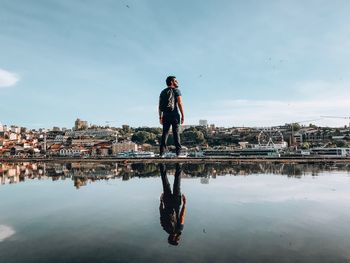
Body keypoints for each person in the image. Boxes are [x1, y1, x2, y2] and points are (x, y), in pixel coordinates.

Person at [159, 163, 186, 246]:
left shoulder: (179, 229)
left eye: (177, 240)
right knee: (165, 183)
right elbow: (161, 213)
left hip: (176, 203)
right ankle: (162, 165)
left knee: (177, 183)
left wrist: (184, 204)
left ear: (174, 238)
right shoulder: (165, 228)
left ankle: (179, 165)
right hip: (167, 202)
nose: (179, 239)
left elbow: (181, 217)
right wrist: (161, 201)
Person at [159, 76, 185, 157]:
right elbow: (180, 103)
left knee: (165, 133)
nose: (177, 82)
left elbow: (159, 106)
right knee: (176, 133)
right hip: (174, 115)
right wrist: (183, 115)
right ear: (172, 82)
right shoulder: (176, 90)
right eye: (176, 81)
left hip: (165, 115)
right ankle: (178, 153)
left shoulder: (163, 92)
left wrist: (160, 117)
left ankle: (162, 153)